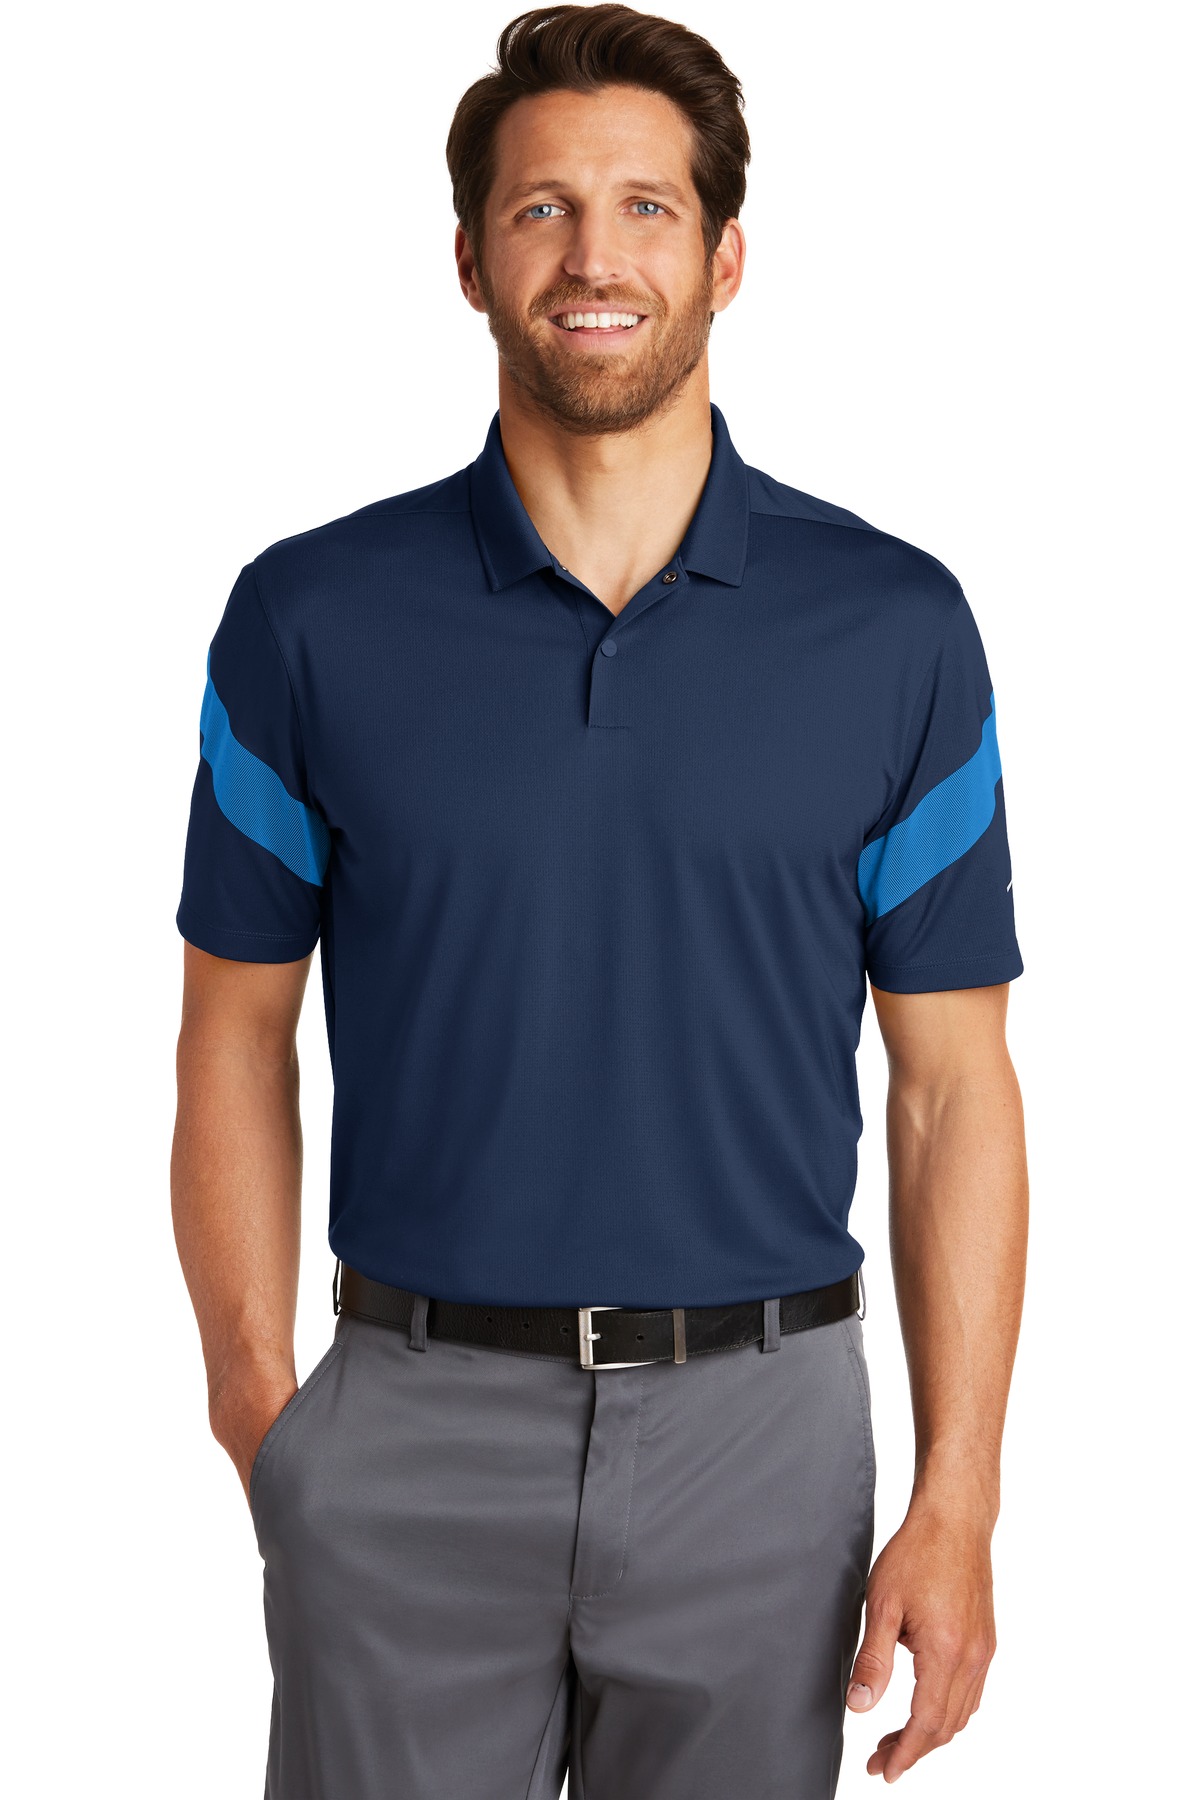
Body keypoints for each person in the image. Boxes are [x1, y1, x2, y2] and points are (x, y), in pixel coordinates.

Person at [170, 6, 1029, 1795]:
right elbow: (234, 1037)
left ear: (726, 258)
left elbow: (952, 1089)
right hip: (406, 1430)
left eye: (646, 208)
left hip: (764, 1441)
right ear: (470, 260)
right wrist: (265, 1420)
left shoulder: (896, 632)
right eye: (542, 208)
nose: (593, 257)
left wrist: (959, 1497)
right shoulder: (307, 621)